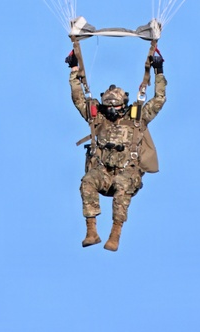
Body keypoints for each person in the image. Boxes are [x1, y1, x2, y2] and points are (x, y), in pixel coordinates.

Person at [66, 46, 166, 252]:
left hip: (127, 172)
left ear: (124, 105)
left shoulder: (137, 118)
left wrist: (159, 72)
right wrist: (74, 70)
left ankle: (115, 234)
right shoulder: (98, 118)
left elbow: (159, 99)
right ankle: (91, 231)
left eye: (116, 107)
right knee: (87, 182)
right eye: (108, 106)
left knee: (122, 185)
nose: (112, 110)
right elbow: (78, 98)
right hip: (103, 172)